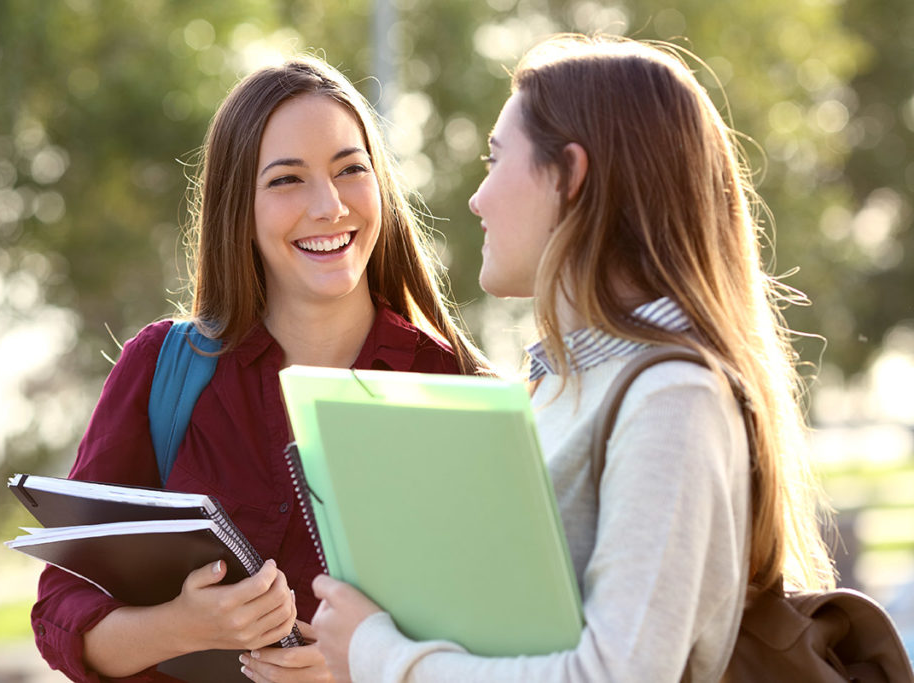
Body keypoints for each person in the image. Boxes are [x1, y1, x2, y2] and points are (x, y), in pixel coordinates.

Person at [307, 33, 837, 682]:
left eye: (495, 159)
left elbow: (615, 675)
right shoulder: (560, 383)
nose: (477, 198)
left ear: (571, 175)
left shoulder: (673, 397)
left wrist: (380, 655)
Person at [31, 55, 487, 683]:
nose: (328, 206)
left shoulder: (459, 389)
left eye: (351, 169)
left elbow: (509, 642)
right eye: (286, 180)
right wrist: (181, 627)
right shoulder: (162, 370)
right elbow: (61, 609)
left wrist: (364, 668)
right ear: (237, 208)